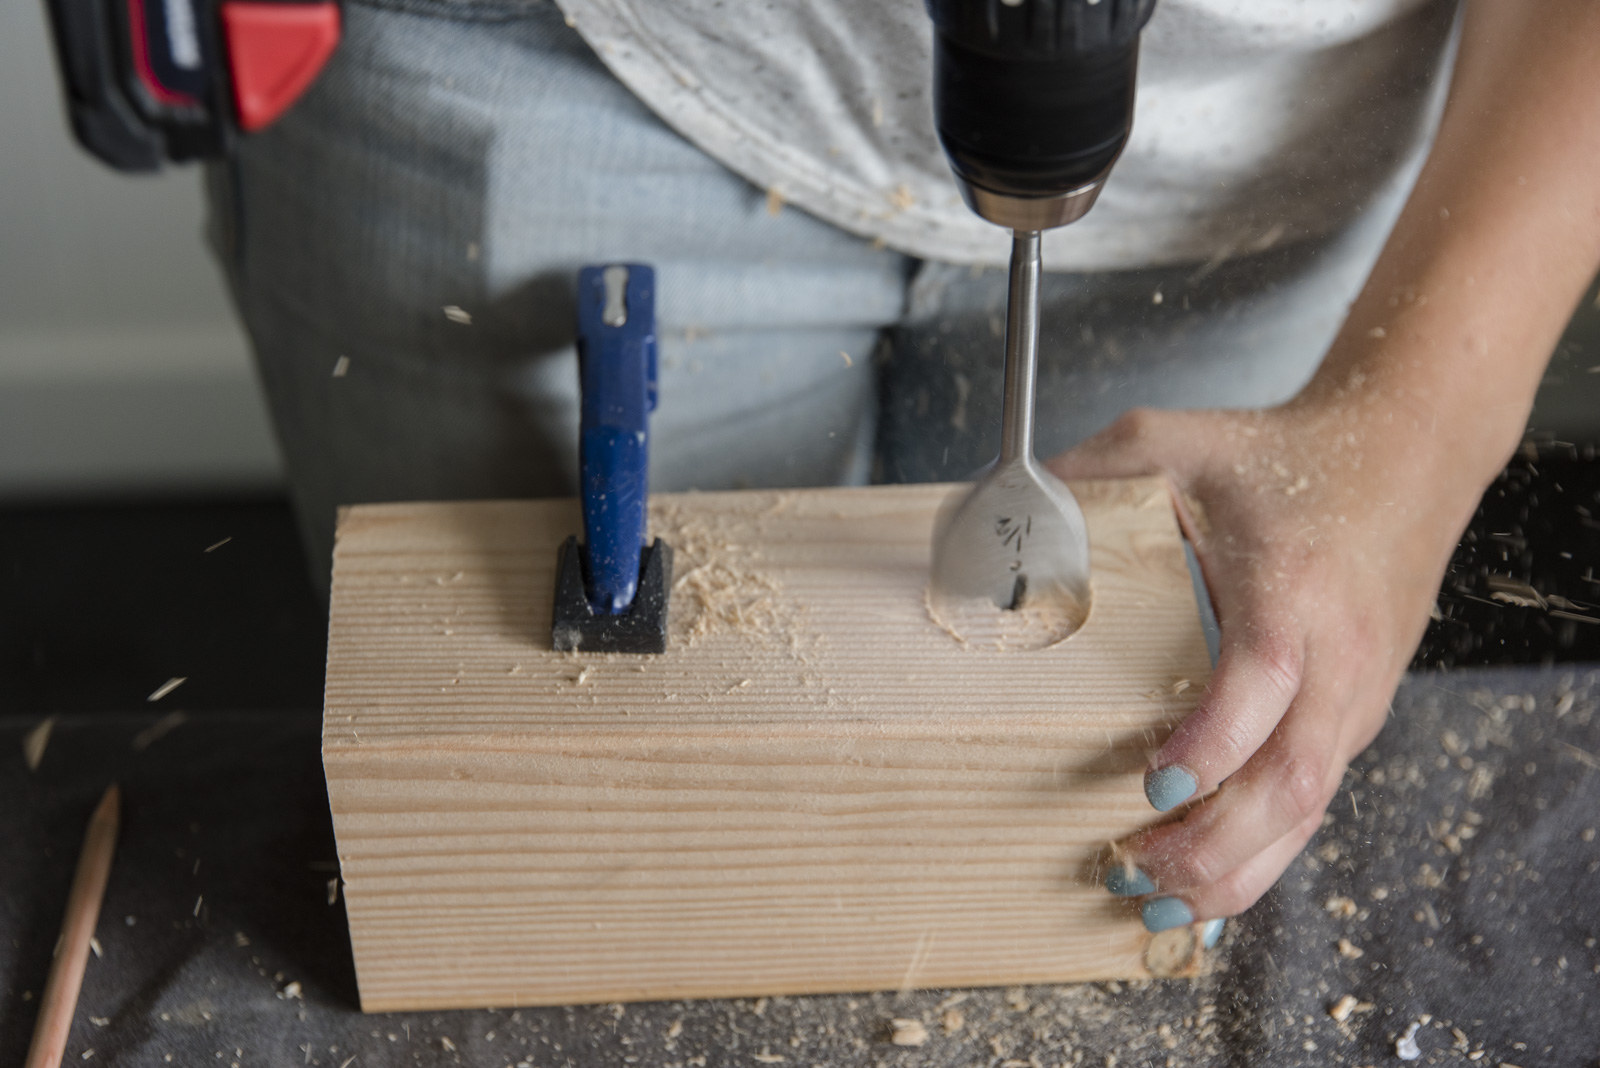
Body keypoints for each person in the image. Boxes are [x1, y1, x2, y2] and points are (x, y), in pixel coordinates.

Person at [205, 0, 1600, 939]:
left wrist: (1413, 430)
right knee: (544, 873)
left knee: (1057, 855)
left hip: (1270, 155)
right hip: (579, 57)